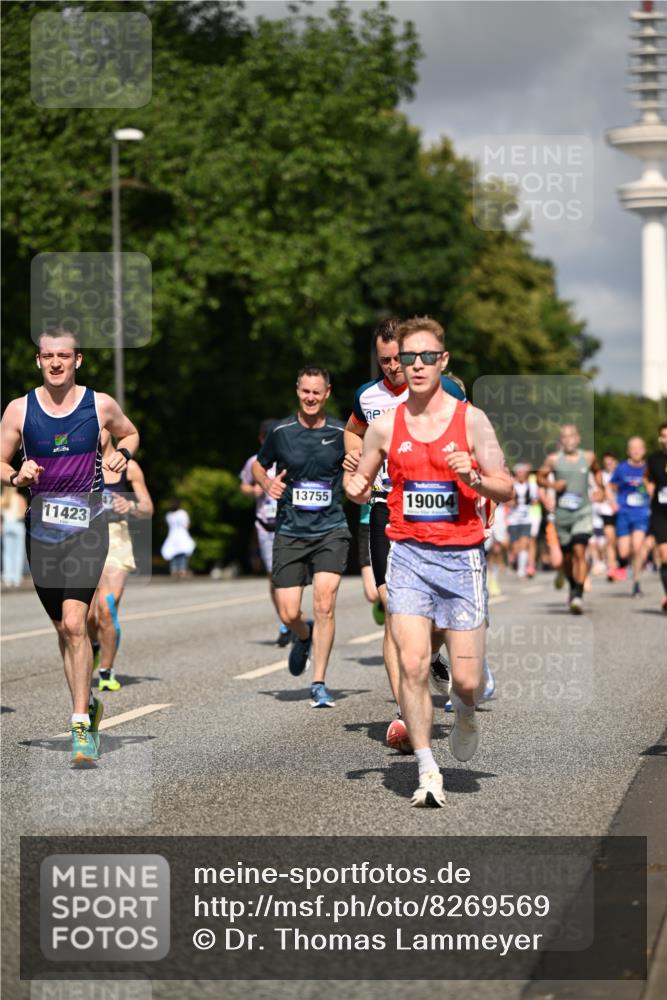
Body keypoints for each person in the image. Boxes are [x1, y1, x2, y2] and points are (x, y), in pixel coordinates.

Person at [346, 317, 512, 808]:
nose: (414, 366)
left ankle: (464, 710)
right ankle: (427, 769)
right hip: (409, 555)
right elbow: (360, 485)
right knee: (414, 664)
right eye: (407, 357)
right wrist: (353, 484)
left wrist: (476, 479)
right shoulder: (385, 424)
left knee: (466, 679)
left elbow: (507, 486)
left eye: (425, 357)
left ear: (442, 361)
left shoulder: (470, 420)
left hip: (461, 559)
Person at [0, 328, 139, 766]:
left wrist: (123, 455)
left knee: (78, 624)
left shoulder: (99, 405)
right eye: (47, 356)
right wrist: (15, 476)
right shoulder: (19, 410)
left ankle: (80, 723)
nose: (55, 363)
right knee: (62, 628)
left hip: (89, 526)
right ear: (38, 360)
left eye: (64, 355)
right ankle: (91, 705)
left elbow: (130, 433)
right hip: (42, 531)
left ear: (78, 360)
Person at [343, 317, 467, 754]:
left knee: (433, 615)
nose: (394, 368)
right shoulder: (368, 395)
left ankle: (431, 655)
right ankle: (403, 710)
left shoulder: (444, 391)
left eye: (398, 359)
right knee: (393, 608)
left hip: (432, 514)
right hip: (383, 510)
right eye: (385, 362)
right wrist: (356, 462)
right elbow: (353, 433)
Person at [252, 365, 350, 708]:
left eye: (317, 392)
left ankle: (319, 682)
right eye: (305, 391)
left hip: (331, 529)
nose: (311, 397)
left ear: (327, 393)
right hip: (291, 530)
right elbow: (258, 466)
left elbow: (360, 463)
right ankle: (302, 634)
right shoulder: (282, 431)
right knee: (287, 611)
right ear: (298, 390)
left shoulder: (342, 431)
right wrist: (267, 484)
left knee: (325, 602)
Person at [87, 429, 154, 691]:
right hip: (85, 539)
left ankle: (106, 670)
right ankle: (93, 645)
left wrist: (132, 507)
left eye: (100, 426)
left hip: (117, 540)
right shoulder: (81, 465)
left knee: (107, 608)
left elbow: (148, 508)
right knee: (86, 615)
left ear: (111, 431)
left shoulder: (130, 467)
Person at [537, 426, 602, 614]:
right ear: (561, 441)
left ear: (578, 438)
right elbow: (540, 477)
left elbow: (597, 472)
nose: (569, 440)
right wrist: (552, 485)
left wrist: (601, 488)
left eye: (572, 436)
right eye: (564, 437)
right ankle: (573, 586)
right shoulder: (553, 459)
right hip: (562, 515)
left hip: (583, 512)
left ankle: (578, 596)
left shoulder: (588, 457)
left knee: (579, 550)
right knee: (566, 558)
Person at [240, 418, 292, 647]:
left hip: (289, 522)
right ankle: (284, 619)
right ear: (261, 439)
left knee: (289, 575)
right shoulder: (255, 461)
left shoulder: (289, 456)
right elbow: (244, 484)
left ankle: (292, 615)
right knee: (274, 576)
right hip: (265, 525)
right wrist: (257, 488)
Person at [607, 437, 651, 598]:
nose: (636, 451)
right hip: (624, 513)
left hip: (641, 513)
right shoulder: (621, 469)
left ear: (644, 450)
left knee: (637, 546)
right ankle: (628, 563)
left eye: (639, 448)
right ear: (628, 451)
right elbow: (610, 487)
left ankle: (637, 583)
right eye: (633, 448)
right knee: (624, 552)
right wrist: (612, 502)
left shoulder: (648, 468)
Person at [645, 423, 667, 613]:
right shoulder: (653, 459)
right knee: (665, 556)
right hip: (660, 513)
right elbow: (647, 478)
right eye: (664, 436)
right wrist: (648, 488)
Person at [506, 463, 538, 578]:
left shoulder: (532, 485)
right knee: (515, 547)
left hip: (526, 519)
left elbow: (535, 500)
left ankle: (521, 570)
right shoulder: (511, 484)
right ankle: (514, 562)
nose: (521, 474)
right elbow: (506, 500)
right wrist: (512, 503)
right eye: (519, 472)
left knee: (524, 543)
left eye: (523, 472)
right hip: (513, 519)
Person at [1, 485, 27, 586]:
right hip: (17, 525)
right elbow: (23, 513)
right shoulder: (19, 498)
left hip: (6, 525)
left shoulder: (2, 498)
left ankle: (7, 577)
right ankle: (16, 578)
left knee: (7, 553)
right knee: (18, 554)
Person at [161, 501, 195, 577]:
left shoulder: (169, 515)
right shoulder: (182, 513)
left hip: (172, 535)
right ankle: (182, 570)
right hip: (182, 535)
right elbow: (187, 525)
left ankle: (174, 570)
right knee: (182, 553)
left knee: (173, 553)